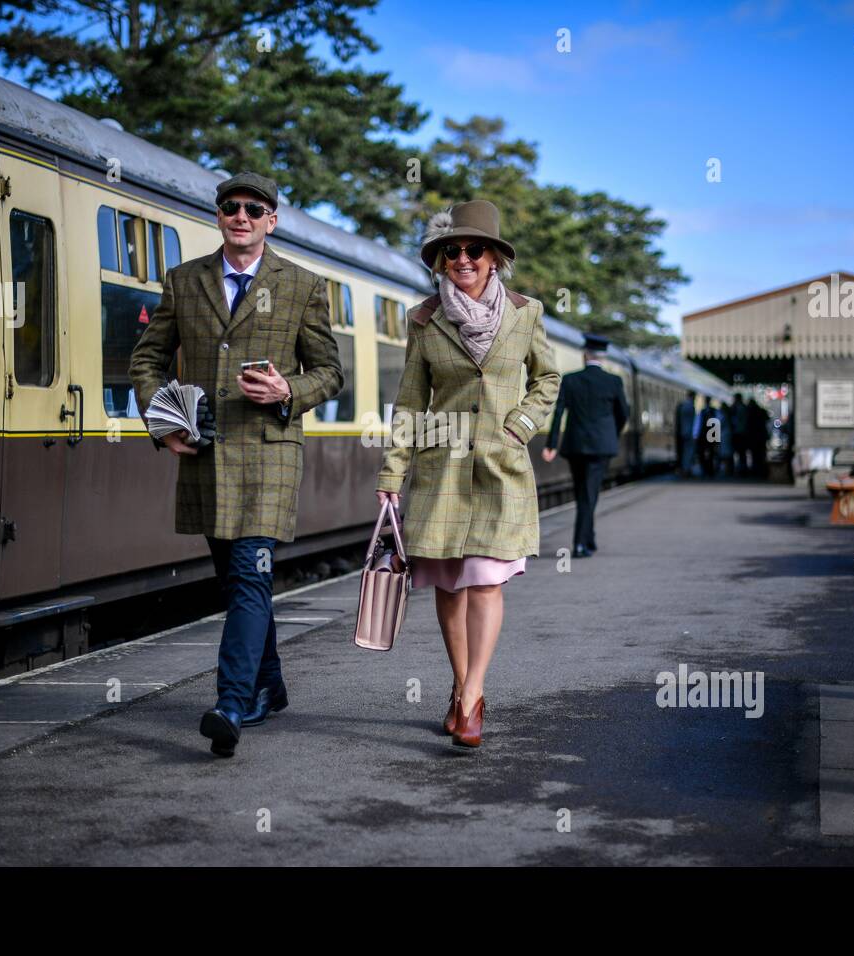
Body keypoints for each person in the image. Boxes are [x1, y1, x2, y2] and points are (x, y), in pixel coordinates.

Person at [129, 171, 343, 758]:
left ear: (271, 220)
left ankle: (231, 702)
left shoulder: (301, 285)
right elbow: (146, 360)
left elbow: (330, 372)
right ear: (220, 216)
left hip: (269, 455)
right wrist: (164, 422)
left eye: (254, 208)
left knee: (251, 575)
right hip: (205, 453)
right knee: (238, 580)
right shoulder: (182, 280)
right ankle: (268, 686)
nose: (241, 216)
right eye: (230, 207)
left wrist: (286, 392)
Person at [375, 200, 559, 749]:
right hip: (442, 470)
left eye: (474, 249)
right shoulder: (425, 319)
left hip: (501, 469)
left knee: (485, 581)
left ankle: (473, 696)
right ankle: (460, 687)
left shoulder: (527, 313)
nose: (463, 258)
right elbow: (410, 402)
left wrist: (518, 427)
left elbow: (547, 380)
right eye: (451, 251)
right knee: (450, 589)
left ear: (495, 258)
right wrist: (392, 470)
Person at [542, 333, 629, 557]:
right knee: (589, 495)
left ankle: (588, 540)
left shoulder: (570, 380)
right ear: (604, 358)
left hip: (575, 446)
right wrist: (612, 434)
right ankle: (581, 543)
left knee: (584, 492)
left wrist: (551, 444)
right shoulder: (613, 381)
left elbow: (559, 412)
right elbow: (623, 414)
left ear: (585, 355)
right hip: (602, 447)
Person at [746, 397, 770, 479]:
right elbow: (767, 418)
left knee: (755, 455)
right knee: (761, 454)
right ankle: (762, 470)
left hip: (754, 437)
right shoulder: (761, 410)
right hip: (761, 436)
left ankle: (756, 470)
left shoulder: (750, 412)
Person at [675, 391, 697, 477]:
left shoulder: (682, 405)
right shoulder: (691, 406)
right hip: (690, 432)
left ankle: (685, 469)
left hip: (683, 432)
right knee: (689, 452)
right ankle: (687, 470)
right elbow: (694, 422)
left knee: (684, 452)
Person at [697, 398, 719, 477]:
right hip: (705, 435)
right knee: (704, 453)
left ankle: (710, 469)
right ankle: (706, 469)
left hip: (711, 435)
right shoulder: (705, 411)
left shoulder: (706, 411)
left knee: (711, 453)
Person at [729, 392, 749, 476]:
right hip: (741, 432)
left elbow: (735, 420)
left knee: (739, 452)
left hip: (738, 433)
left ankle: (739, 469)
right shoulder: (743, 407)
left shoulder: (738, 408)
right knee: (741, 452)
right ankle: (741, 468)